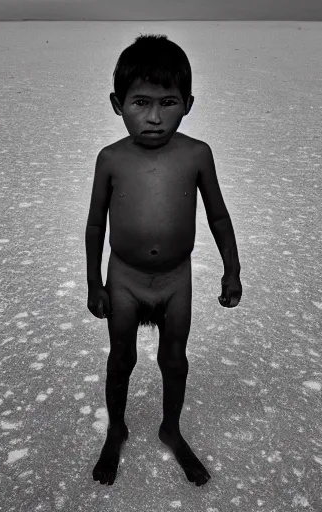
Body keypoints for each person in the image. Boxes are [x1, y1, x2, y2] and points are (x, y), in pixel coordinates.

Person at [85, 34, 242, 486]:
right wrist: (94, 282)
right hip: (126, 279)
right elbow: (96, 224)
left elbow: (218, 215)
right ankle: (116, 429)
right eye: (140, 102)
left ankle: (170, 429)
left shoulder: (196, 154)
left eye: (168, 102)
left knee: (175, 360)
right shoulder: (111, 159)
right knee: (121, 359)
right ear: (117, 104)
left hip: (176, 280)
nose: (154, 117)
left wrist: (233, 270)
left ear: (189, 103)